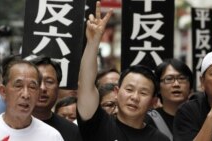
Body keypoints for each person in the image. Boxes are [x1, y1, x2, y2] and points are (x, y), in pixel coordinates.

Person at [76, 1, 170, 141]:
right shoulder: (98, 123)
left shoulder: (160, 139)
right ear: (116, 92)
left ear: (154, 102)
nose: (134, 97)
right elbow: (86, 84)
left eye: (143, 92)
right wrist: (92, 43)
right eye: (129, 89)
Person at [0, 58, 63, 140]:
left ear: (38, 93)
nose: (26, 95)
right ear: (3, 91)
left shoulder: (52, 136)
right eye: (18, 86)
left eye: (32, 87)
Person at [28, 56, 82, 141]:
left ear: (58, 87)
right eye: (36, 82)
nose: (43, 88)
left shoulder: (73, 131)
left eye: (49, 82)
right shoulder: (9, 126)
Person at [145, 58, 193, 140]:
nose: (176, 84)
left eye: (181, 78)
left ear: (190, 86)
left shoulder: (200, 116)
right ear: (158, 88)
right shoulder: (147, 121)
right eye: (169, 79)